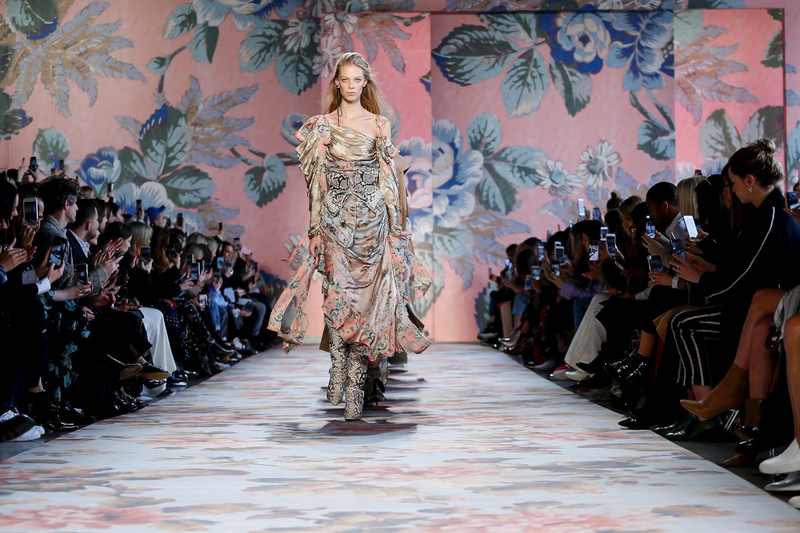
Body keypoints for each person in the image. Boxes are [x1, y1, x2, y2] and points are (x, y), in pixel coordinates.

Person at [268, 52, 431, 421]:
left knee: (369, 303)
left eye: (358, 79)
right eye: (346, 79)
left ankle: (356, 382)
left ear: (365, 83)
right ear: (337, 83)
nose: (352, 85)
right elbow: (317, 184)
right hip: (335, 220)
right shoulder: (323, 126)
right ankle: (338, 362)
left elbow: (388, 179)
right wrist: (314, 229)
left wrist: (395, 227)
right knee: (336, 295)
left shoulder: (379, 124)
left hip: (373, 223)